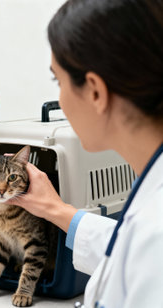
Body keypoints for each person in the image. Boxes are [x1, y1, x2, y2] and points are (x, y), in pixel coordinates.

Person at [9, 0, 163, 307]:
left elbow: (145, 252)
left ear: (95, 91)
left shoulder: (155, 236)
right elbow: (124, 247)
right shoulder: (150, 194)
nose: (60, 100)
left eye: (59, 81)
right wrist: (55, 209)